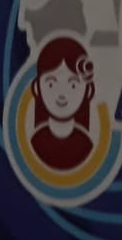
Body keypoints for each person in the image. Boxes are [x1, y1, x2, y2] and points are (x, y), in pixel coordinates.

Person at [28, 36, 96, 173]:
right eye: (51, 84)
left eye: (73, 85)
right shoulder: (34, 142)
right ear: (36, 88)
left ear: (88, 91)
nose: (61, 94)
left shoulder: (87, 145)